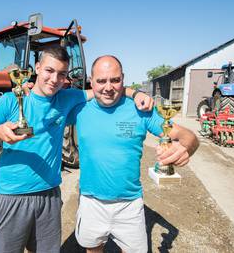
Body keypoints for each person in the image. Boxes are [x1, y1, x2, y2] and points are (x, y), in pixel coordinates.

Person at [0, 47, 153, 253]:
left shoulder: (66, 98)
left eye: (62, 74)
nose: (55, 79)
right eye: (49, 71)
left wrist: (136, 92)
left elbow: (105, 89)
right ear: (37, 68)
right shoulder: (10, 101)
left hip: (49, 196)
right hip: (12, 196)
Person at [67, 55, 199, 253]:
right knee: (93, 249)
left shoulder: (141, 109)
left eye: (115, 80)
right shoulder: (79, 109)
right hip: (91, 202)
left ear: (123, 78)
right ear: (91, 81)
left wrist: (186, 148)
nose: (108, 87)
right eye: (101, 81)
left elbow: (188, 136)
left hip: (129, 204)